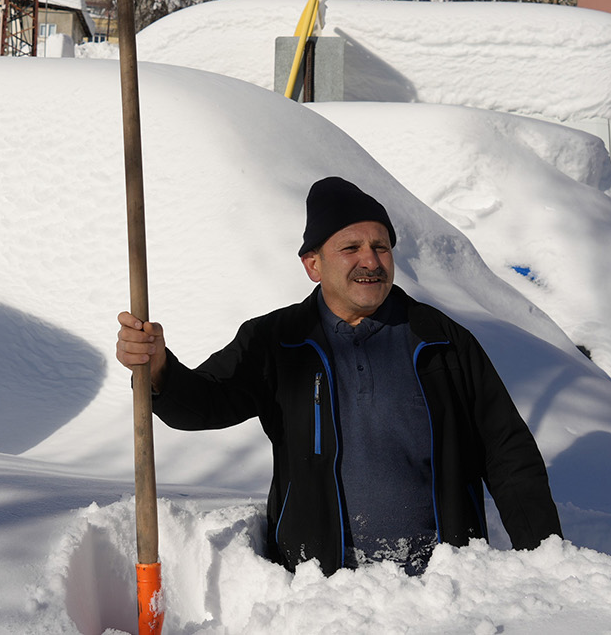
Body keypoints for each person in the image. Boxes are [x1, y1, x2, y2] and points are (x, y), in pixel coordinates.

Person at [116, 176, 562, 576]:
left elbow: (507, 451)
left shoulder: (440, 341)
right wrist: (158, 370)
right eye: (350, 248)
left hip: (441, 584)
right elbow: (204, 403)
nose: (370, 260)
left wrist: (545, 556)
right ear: (313, 265)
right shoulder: (277, 341)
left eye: (381, 247)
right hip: (320, 587)